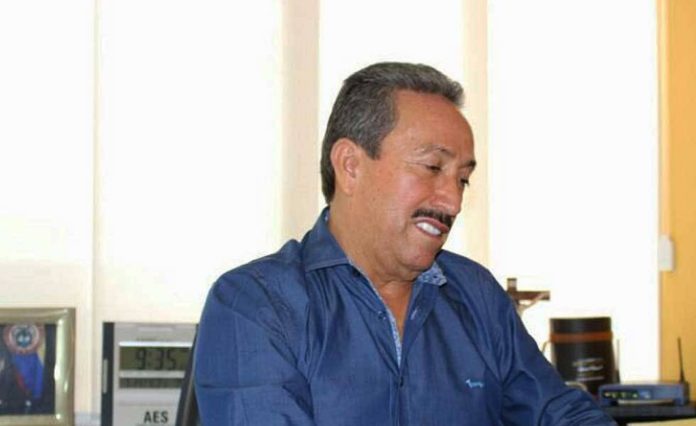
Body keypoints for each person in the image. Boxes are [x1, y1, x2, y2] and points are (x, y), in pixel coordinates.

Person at [194, 62, 616, 425]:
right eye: (432, 167)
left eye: (463, 179)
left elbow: (559, 413)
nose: (453, 201)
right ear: (350, 166)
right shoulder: (255, 304)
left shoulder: (476, 296)